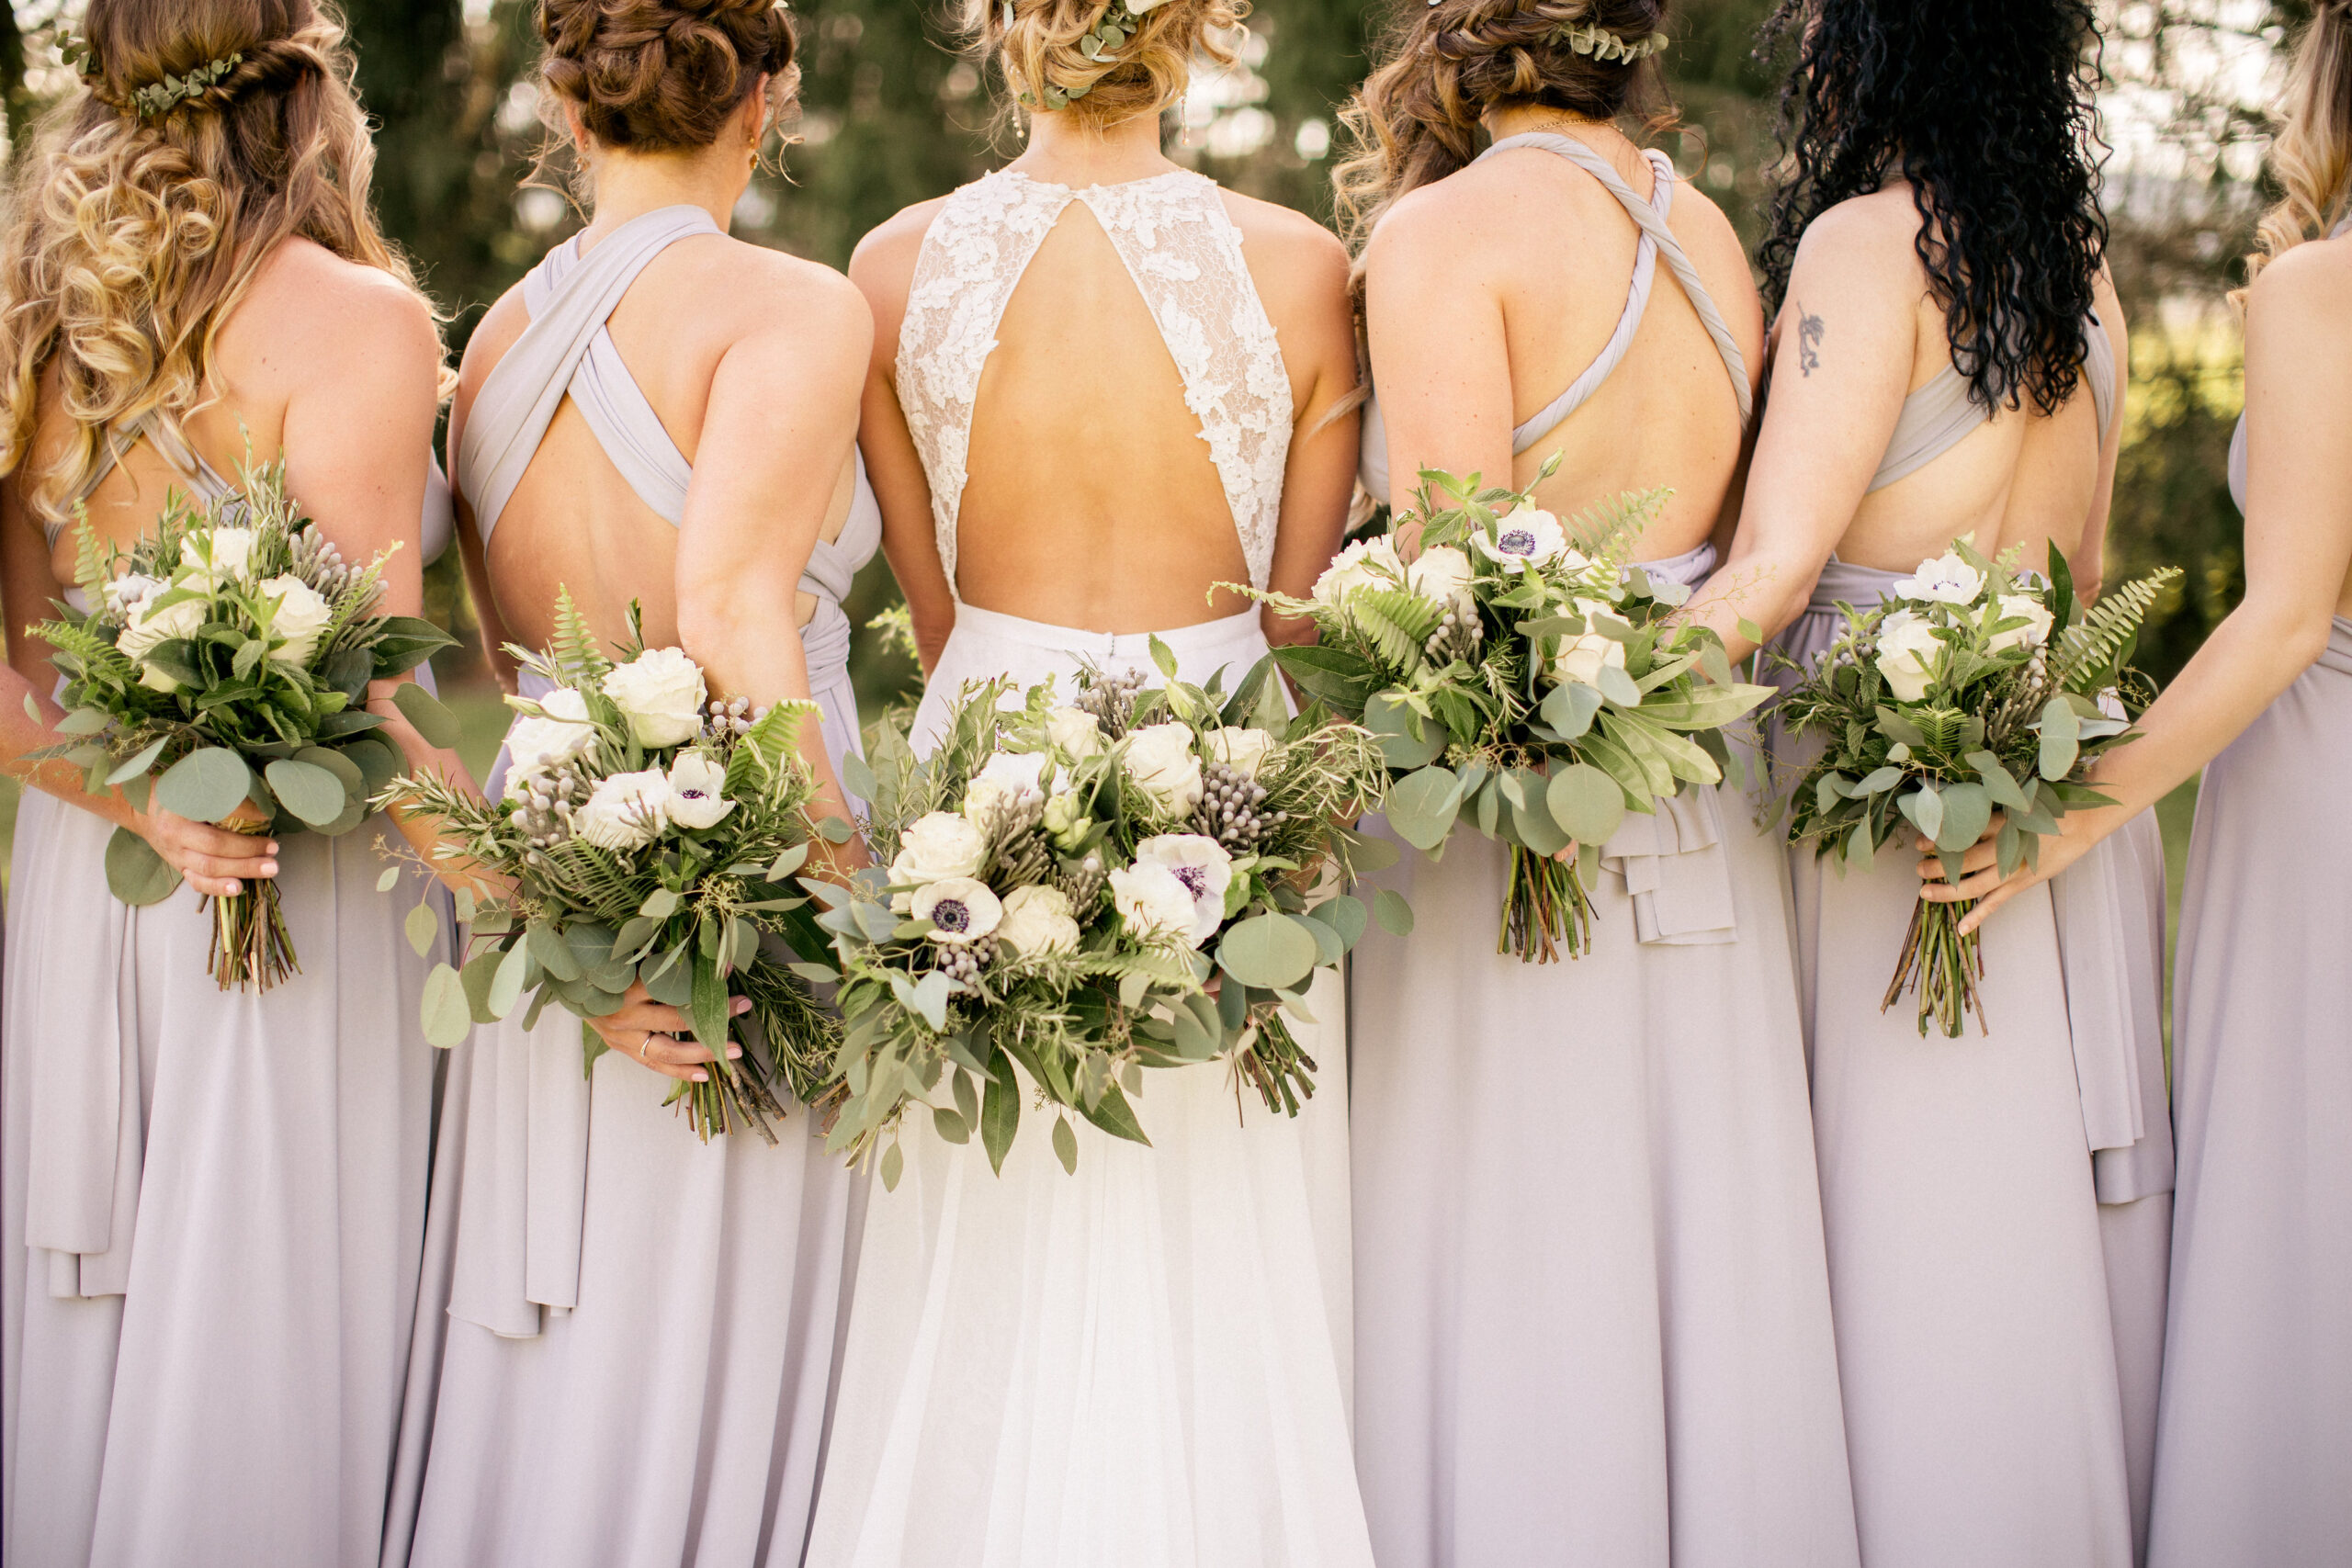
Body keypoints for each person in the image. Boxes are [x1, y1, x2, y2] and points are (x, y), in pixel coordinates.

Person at [803, 1, 1370, 1562]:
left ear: (998, 28)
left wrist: (1022, 731)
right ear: (1199, 31)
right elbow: (1306, 624)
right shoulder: (1305, 267)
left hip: (988, 748)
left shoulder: (893, 266)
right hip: (1236, 757)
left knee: (989, 1192)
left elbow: (931, 615)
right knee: (1224, 1196)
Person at [1330, 5, 1857, 1564]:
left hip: (1510, 816)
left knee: (1509, 1228)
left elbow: (1447, 569)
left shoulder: (1440, 236)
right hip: (1699, 779)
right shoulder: (1709, 234)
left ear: (1454, 51)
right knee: (1690, 1223)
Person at [1675, 2, 2167, 1562]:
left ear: (1873, 51)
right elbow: (2087, 586)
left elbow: (1776, 564)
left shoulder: (1861, 248)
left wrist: (1567, 688)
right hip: (2039, 761)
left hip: (1879, 781)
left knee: (1895, 1213)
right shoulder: (2088, 284)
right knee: (2016, 1211)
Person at [389, 3, 877, 1564]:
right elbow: (733, 611)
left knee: (574, 1293)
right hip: (738, 840)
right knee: (720, 1283)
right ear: (768, 102)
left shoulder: (496, 343)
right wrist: (857, 897)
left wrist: (557, 873)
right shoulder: (790, 305)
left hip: (547, 845)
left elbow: (489, 641)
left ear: (568, 106)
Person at [0, 3, 476, 1562]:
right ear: (310, 90)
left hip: (100, 869)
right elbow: (374, 692)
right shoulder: (356, 319)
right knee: (267, 1304)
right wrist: (529, 891)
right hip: (295, 874)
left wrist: (140, 809)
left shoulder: (28, 302)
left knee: (111, 1300)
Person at [1923, 8, 2352, 1562]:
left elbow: (2290, 611)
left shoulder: (2322, 287)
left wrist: (2071, 815)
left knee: (2312, 1196)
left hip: (2325, 810)